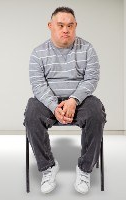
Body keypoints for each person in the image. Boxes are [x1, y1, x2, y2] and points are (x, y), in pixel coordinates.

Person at [24, 7, 107, 194]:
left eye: (70, 25)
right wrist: (54, 107)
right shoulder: (38, 53)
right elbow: (38, 85)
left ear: (75, 26)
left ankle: (85, 169)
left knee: (96, 111)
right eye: (60, 25)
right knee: (31, 112)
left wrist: (73, 100)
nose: (65, 30)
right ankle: (48, 167)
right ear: (50, 26)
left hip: (79, 100)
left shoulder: (87, 49)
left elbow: (91, 79)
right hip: (48, 102)